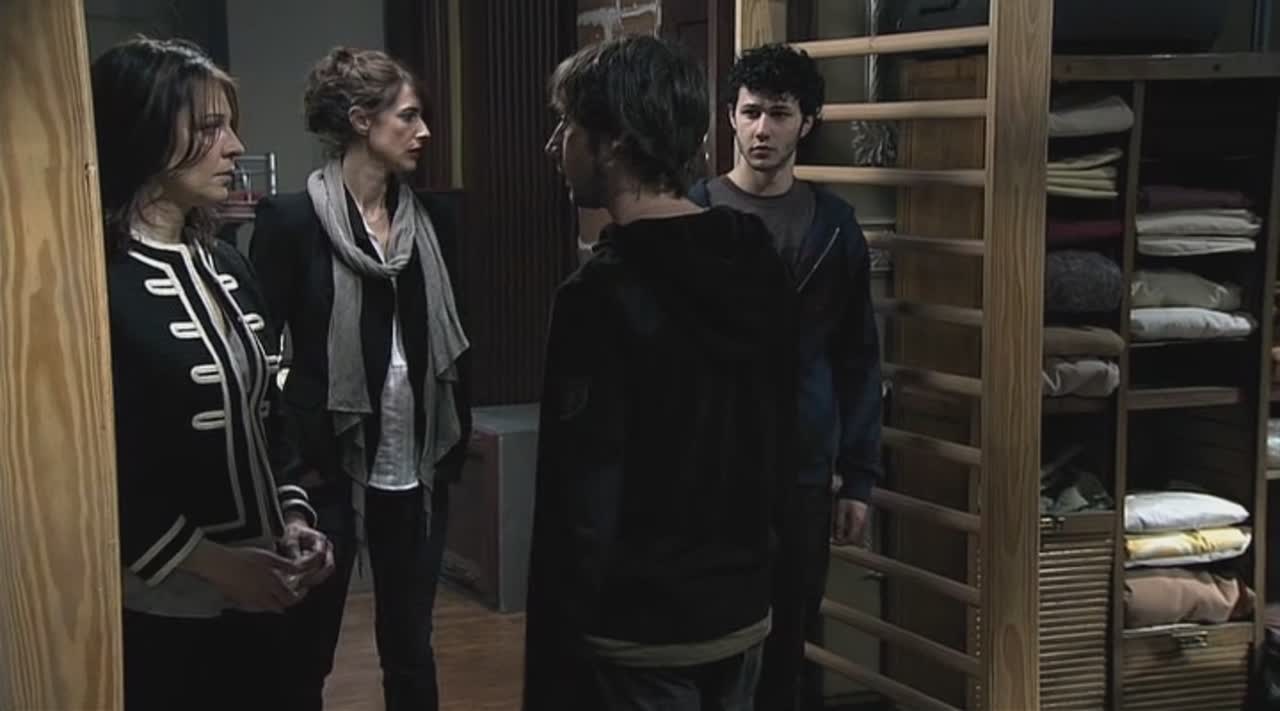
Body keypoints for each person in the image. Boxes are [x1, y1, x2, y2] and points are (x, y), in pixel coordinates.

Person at [524, 35, 799, 711]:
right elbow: (786, 439)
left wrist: (556, 657)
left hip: (637, 630)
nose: (555, 144)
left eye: (568, 125)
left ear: (615, 142)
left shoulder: (598, 295)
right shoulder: (758, 264)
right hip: (741, 609)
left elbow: (582, 498)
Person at [93, 36, 334, 710]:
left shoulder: (227, 264)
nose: (234, 147)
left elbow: (267, 417)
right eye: (209, 127)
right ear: (142, 132)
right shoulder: (95, 284)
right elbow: (98, 469)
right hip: (164, 616)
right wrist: (218, 565)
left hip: (267, 599)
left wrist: (293, 515)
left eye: (230, 125)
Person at [249, 46, 471, 711]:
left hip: (416, 467)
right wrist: (291, 471)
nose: (424, 131)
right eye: (408, 116)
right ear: (360, 121)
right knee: (306, 654)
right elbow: (258, 359)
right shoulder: (291, 221)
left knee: (411, 650)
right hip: (329, 467)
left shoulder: (435, 221)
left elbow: (456, 348)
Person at [687, 43, 884, 711]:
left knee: (790, 641)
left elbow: (858, 356)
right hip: (714, 468)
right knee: (711, 643)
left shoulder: (834, 227)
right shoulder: (694, 215)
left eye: (778, 113)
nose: (762, 129)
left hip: (803, 468)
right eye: (750, 113)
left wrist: (859, 476)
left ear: (807, 122)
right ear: (730, 118)